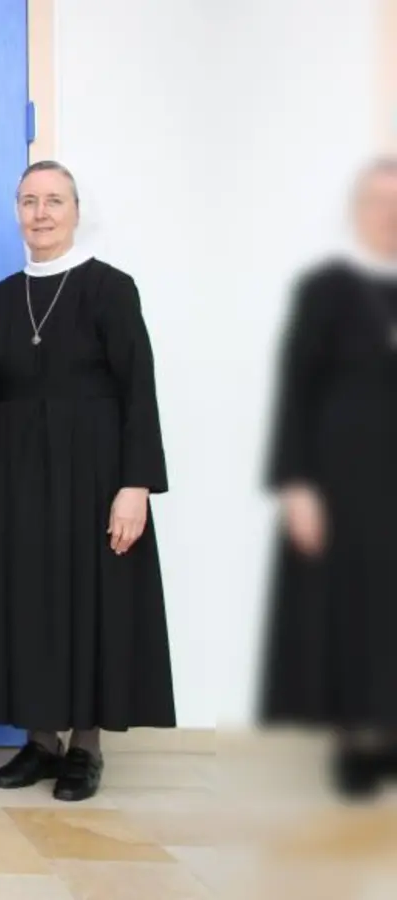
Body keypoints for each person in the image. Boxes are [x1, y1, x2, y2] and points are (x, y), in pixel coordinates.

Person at [0, 161, 174, 802]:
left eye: (53, 201)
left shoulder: (110, 289)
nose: (41, 213)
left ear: (75, 210)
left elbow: (138, 390)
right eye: (29, 200)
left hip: (94, 476)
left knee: (94, 603)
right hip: (17, 476)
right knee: (28, 603)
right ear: (17, 212)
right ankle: (40, 742)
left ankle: (85, 748)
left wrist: (134, 486)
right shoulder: (2, 297)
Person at [260, 156, 397, 799]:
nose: (387, 215)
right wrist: (297, 485)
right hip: (346, 481)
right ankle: (358, 743)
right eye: (376, 202)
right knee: (354, 612)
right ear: (357, 211)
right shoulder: (327, 290)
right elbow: (296, 388)